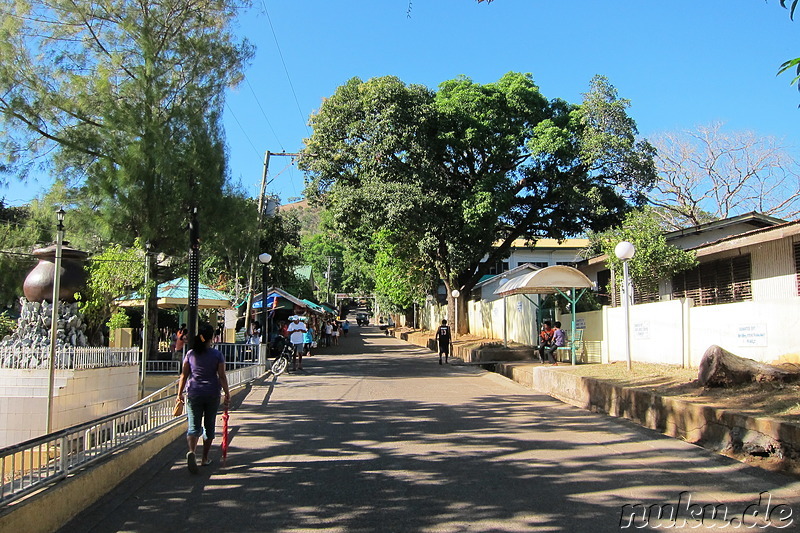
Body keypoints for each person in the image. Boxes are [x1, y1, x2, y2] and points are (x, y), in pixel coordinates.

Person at [176, 322, 230, 473]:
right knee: (209, 425)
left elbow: (184, 375)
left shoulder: (190, 354)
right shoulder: (217, 355)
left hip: (194, 392)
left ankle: (192, 452)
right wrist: (227, 393)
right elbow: (222, 376)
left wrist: (179, 394)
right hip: (212, 393)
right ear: (211, 337)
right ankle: (204, 458)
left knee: (193, 426)